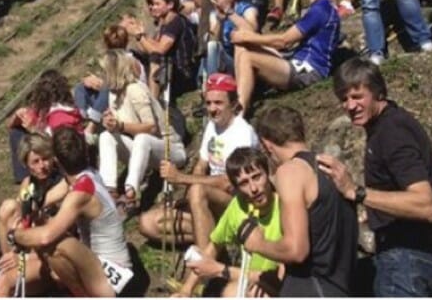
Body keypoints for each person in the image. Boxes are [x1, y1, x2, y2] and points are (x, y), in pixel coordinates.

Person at [318, 58, 432, 297]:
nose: (350, 105)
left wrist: (356, 192)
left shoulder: (392, 133)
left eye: (358, 96)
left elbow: (426, 205)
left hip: (408, 258)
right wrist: (380, 211)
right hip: (416, 256)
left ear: (378, 92)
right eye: (344, 98)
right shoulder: (394, 124)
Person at [10, 127, 132, 298]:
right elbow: (48, 198)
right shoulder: (87, 174)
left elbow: (46, 235)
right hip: (105, 265)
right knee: (54, 246)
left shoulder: (80, 194)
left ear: (57, 161)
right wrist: (29, 208)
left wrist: (16, 235)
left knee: (56, 244)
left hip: (112, 275)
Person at [138, 73, 257, 248]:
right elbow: (201, 165)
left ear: (233, 104)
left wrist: (181, 178)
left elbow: (229, 182)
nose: (212, 109)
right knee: (147, 223)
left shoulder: (242, 133)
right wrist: (188, 198)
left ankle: (206, 260)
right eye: (208, 103)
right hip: (209, 201)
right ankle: (214, 236)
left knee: (198, 191)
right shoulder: (212, 126)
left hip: (237, 203)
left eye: (218, 103)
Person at [250, 105, 358, 296]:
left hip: (310, 289)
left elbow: (296, 250)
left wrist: (257, 243)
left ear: (267, 145)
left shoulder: (290, 172)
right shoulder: (334, 170)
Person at [230, 0, 342, 114]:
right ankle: (241, 96)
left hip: (306, 71)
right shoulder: (323, 8)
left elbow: (284, 41)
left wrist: (249, 36)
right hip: (296, 61)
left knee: (247, 57)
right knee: (242, 45)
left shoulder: (319, 10)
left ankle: (239, 112)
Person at [176, 146, 283, 299]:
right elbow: (213, 246)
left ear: (268, 173)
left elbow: (281, 277)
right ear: (237, 188)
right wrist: (186, 290)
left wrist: (220, 270)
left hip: (280, 286)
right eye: (244, 183)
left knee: (241, 293)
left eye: (257, 177)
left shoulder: (286, 207)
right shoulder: (239, 206)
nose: (254, 188)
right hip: (251, 280)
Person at [97, 50, 185, 216]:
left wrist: (121, 126)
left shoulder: (136, 90)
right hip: (144, 152)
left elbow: (151, 128)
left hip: (168, 149)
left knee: (142, 138)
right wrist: (109, 123)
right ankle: (109, 190)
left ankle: (131, 193)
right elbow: (118, 126)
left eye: (104, 71)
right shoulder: (113, 94)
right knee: (105, 136)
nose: (102, 76)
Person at [0, 134, 68, 293]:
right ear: (26, 164)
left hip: (54, 256)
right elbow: (24, 222)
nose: (42, 166)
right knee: (8, 207)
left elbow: (54, 235)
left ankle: (13, 271)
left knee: (4, 285)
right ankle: (8, 262)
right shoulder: (28, 184)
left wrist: (24, 257)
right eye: (35, 162)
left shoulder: (62, 182)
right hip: (31, 251)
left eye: (45, 159)